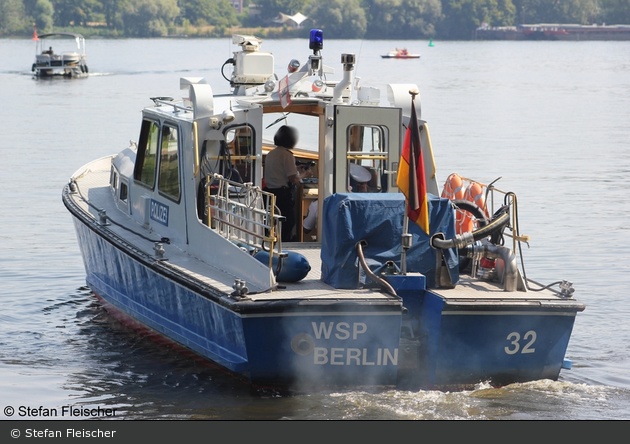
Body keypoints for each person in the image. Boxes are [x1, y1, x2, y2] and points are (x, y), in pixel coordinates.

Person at [264, 125, 311, 242]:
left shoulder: (271, 153)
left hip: (269, 192)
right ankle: (283, 243)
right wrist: (305, 175)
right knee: (289, 222)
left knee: (273, 221)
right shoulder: (287, 155)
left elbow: (278, 170)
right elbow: (292, 178)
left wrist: (295, 168)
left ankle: (273, 243)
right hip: (282, 194)